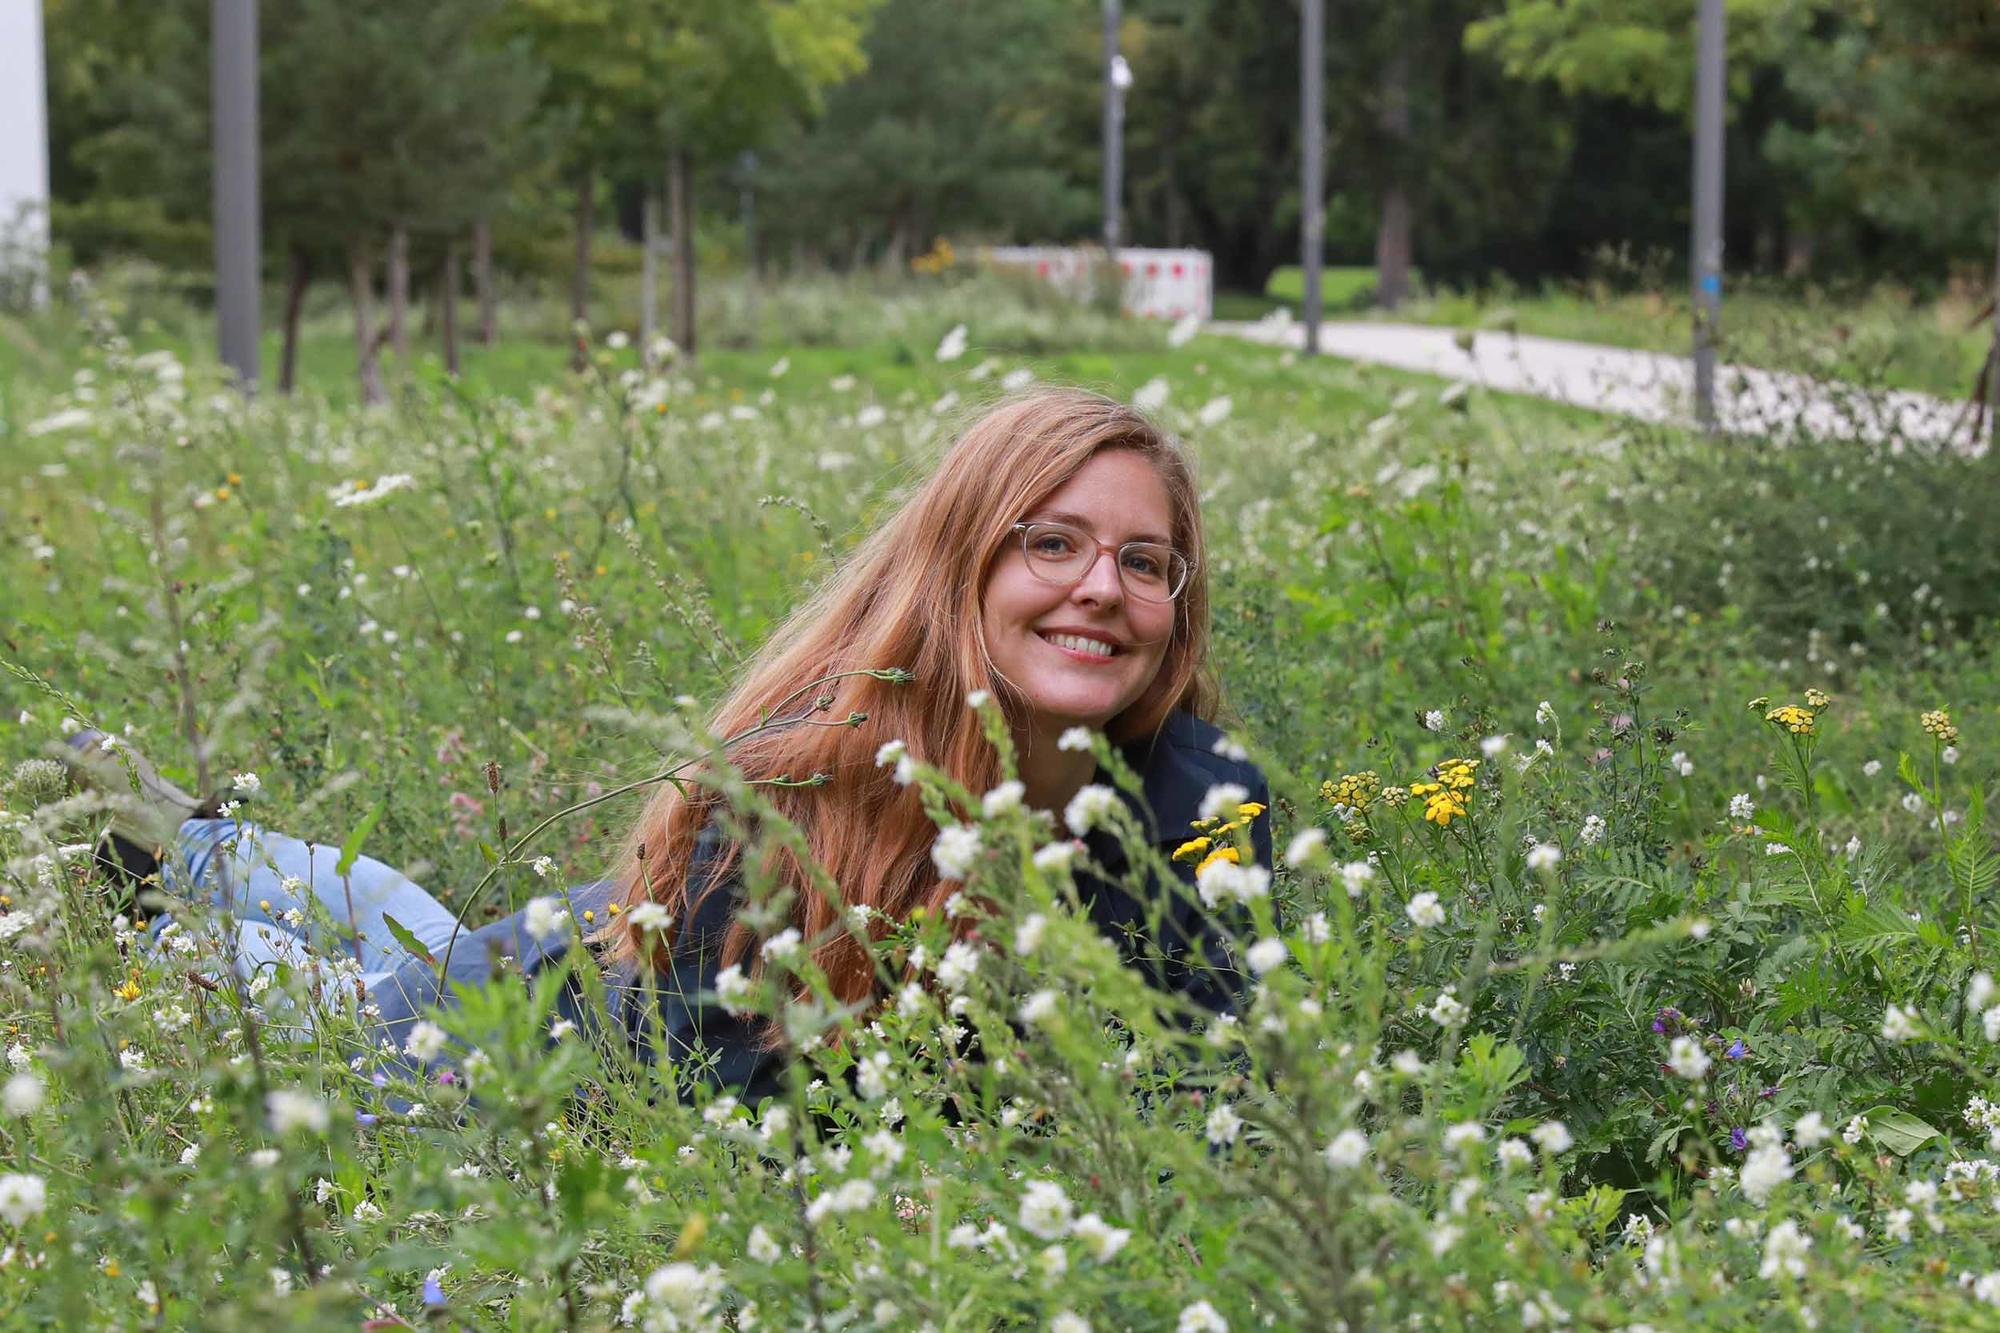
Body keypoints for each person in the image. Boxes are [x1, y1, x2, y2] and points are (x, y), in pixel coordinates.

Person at [62, 388, 1272, 1100]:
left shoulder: (1210, 803)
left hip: (576, 940)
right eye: (1049, 544)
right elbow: (737, 1127)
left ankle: (193, 834)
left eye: (1143, 561)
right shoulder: (797, 791)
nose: (1101, 587)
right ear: (963, 569)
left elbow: (1224, 1061)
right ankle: (172, 852)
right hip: (506, 1031)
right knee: (331, 987)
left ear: (1176, 610)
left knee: (419, 921)